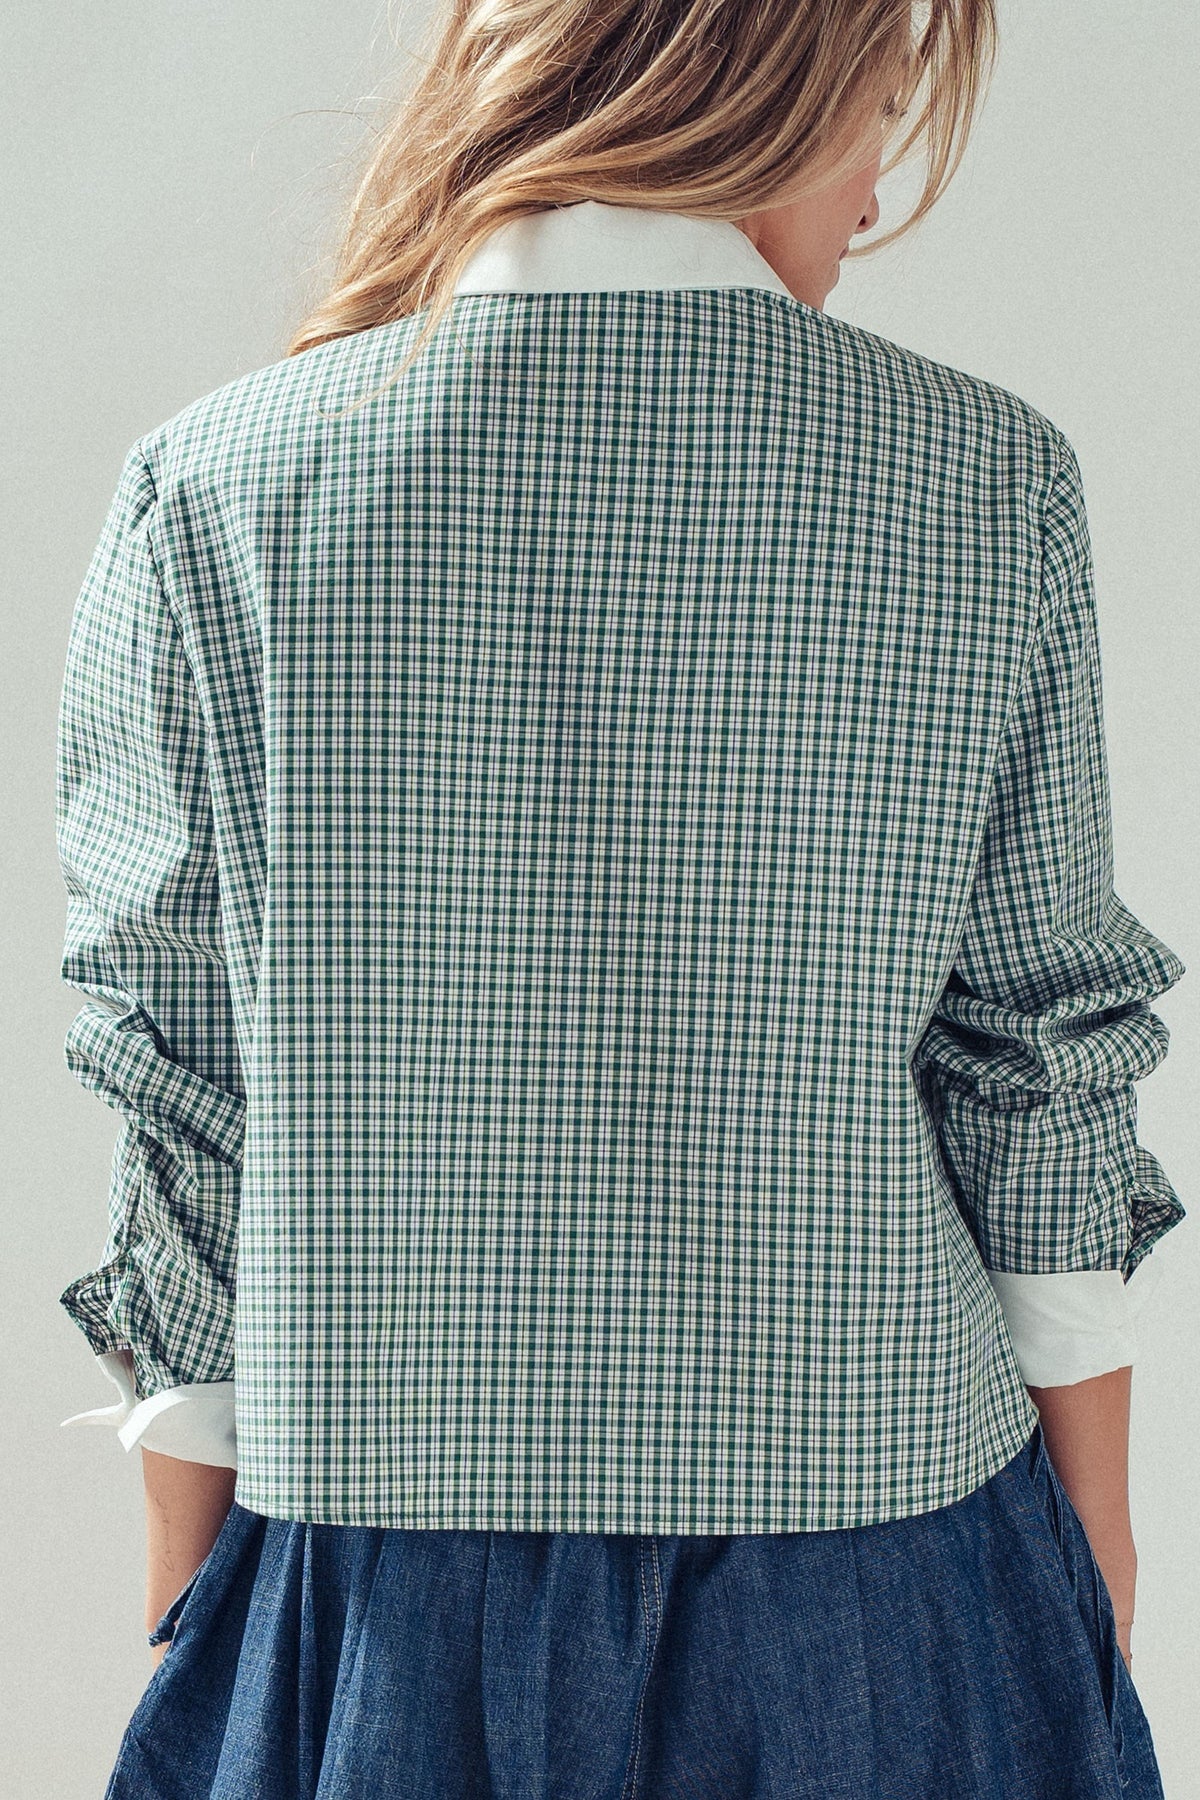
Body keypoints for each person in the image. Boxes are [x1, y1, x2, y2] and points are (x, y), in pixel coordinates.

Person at [53, 0, 1185, 1793]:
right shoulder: (983, 473)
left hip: (376, 1546)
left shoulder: (214, 486)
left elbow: (181, 1075)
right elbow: (1037, 1052)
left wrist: (196, 1587)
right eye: (882, 113)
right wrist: (1097, 1528)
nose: (872, 195)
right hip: (885, 1540)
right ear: (772, 84)